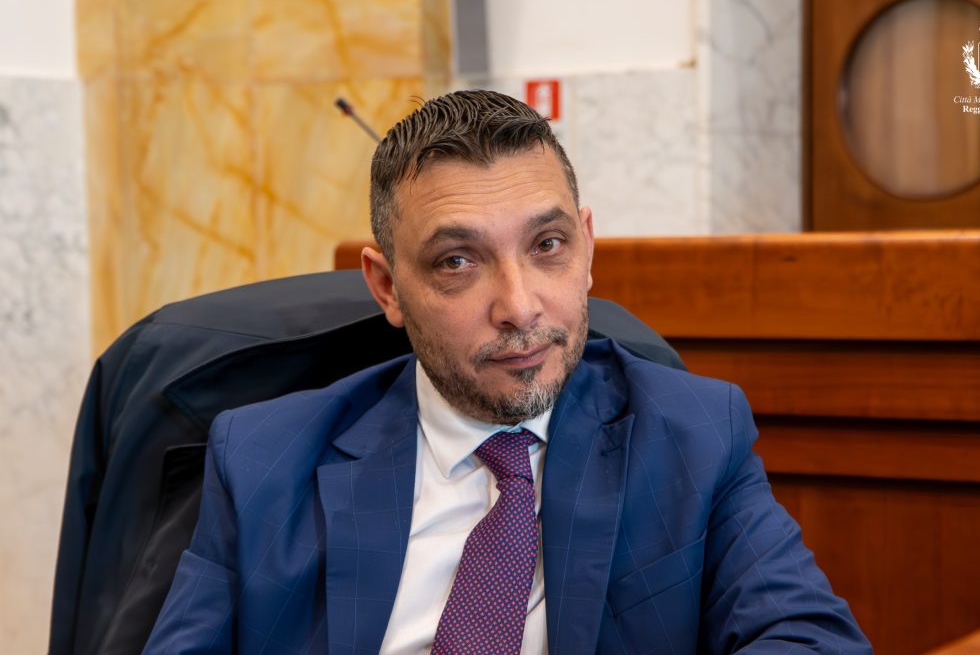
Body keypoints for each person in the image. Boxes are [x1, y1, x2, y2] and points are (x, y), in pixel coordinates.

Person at [143, 90, 871, 654]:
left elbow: (811, 640)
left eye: (547, 245)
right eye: (457, 261)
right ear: (387, 287)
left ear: (587, 248)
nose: (519, 306)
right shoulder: (263, 459)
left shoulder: (692, 433)